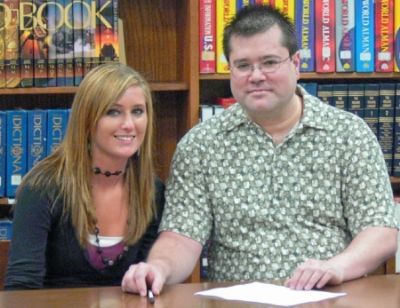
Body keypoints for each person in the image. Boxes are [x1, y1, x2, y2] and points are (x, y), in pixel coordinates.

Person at [121, 5, 398, 294]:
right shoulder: (200, 145)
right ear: (231, 69)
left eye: (269, 62)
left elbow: (380, 231)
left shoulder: (349, 135)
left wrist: (337, 267)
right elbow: (182, 236)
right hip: (237, 302)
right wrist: (159, 268)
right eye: (243, 65)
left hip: (328, 298)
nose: (256, 76)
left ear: (296, 63)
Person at [5, 63, 165, 289]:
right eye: (113, 111)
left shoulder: (152, 191)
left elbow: (147, 283)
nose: (129, 124)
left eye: (138, 111)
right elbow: (22, 288)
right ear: (87, 120)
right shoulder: (43, 188)